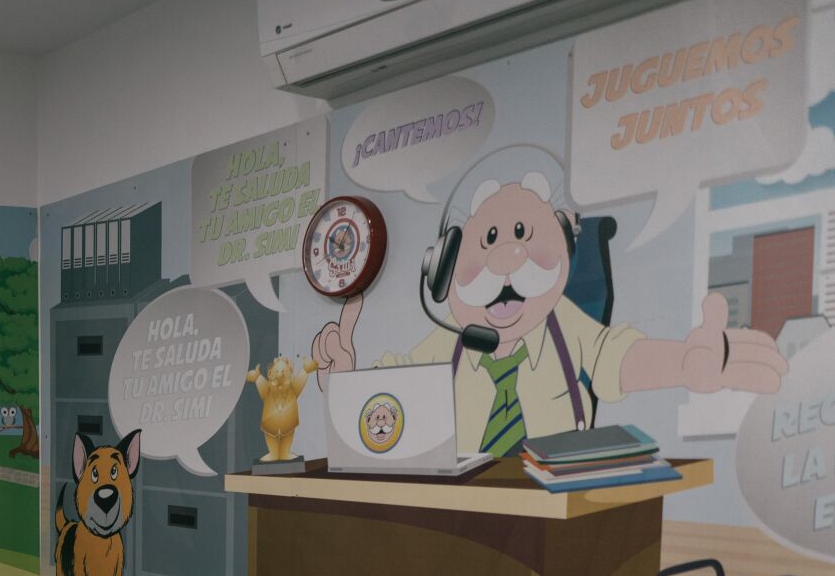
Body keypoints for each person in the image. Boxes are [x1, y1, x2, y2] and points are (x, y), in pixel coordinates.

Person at [310, 144, 786, 456]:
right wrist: (344, 380)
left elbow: (616, 357)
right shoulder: (448, 344)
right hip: (467, 514)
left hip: (552, 514)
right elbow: (391, 392)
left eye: (521, 235)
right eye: (488, 241)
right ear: (443, 272)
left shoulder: (561, 325)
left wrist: (684, 362)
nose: (506, 258)